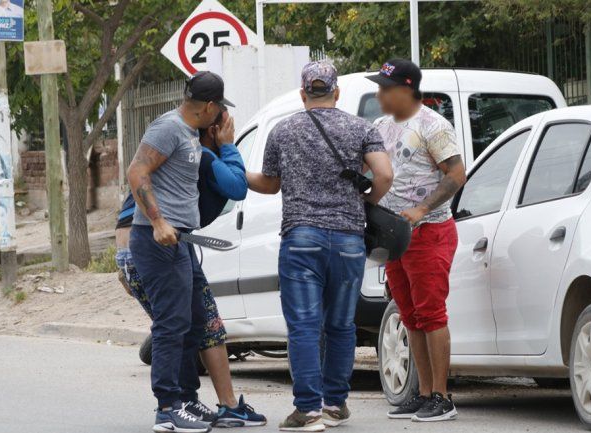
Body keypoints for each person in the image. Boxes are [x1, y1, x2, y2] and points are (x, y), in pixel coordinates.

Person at [247, 61, 393, 432]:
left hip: (301, 239)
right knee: (342, 325)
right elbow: (385, 174)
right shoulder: (361, 128)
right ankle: (335, 403)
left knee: (304, 326)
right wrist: (368, 203)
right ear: (336, 92)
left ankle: (308, 410)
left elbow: (270, 184)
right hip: (347, 239)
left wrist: (234, 172)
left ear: (302, 93)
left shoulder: (283, 130)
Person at [116, 119, 266, 428]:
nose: (231, 132)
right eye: (228, 127)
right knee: (179, 326)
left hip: (155, 246)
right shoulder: (198, 154)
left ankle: (194, 402)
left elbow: (246, 180)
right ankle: (173, 405)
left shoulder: (179, 155)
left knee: (195, 324)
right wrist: (227, 146)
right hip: (154, 245)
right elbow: (237, 186)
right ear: (213, 128)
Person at [127, 71, 235, 433]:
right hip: (156, 240)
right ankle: (167, 408)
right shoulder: (168, 128)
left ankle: (186, 399)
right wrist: (158, 221)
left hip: (181, 240)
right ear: (208, 106)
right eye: (219, 108)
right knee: (171, 323)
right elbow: (136, 171)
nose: (221, 115)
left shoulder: (189, 134)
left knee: (189, 320)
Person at [366, 59, 466, 423]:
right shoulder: (379, 126)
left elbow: (456, 173)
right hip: (394, 236)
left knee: (431, 313)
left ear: (406, 89)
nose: (379, 94)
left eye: (384, 88)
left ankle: (442, 396)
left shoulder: (433, 125)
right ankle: (423, 393)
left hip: (429, 232)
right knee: (410, 315)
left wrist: (423, 209)